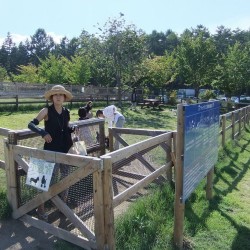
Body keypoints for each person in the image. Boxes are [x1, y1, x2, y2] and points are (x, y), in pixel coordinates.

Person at [28, 85, 75, 221]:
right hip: (50, 151)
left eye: (61, 94)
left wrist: (72, 129)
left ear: (65, 97)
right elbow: (31, 124)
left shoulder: (66, 112)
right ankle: (40, 209)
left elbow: (64, 128)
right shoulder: (46, 111)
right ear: (52, 97)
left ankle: (63, 207)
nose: (59, 96)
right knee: (45, 180)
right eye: (56, 94)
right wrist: (43, 133)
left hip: (65, 150)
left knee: (66, 179)